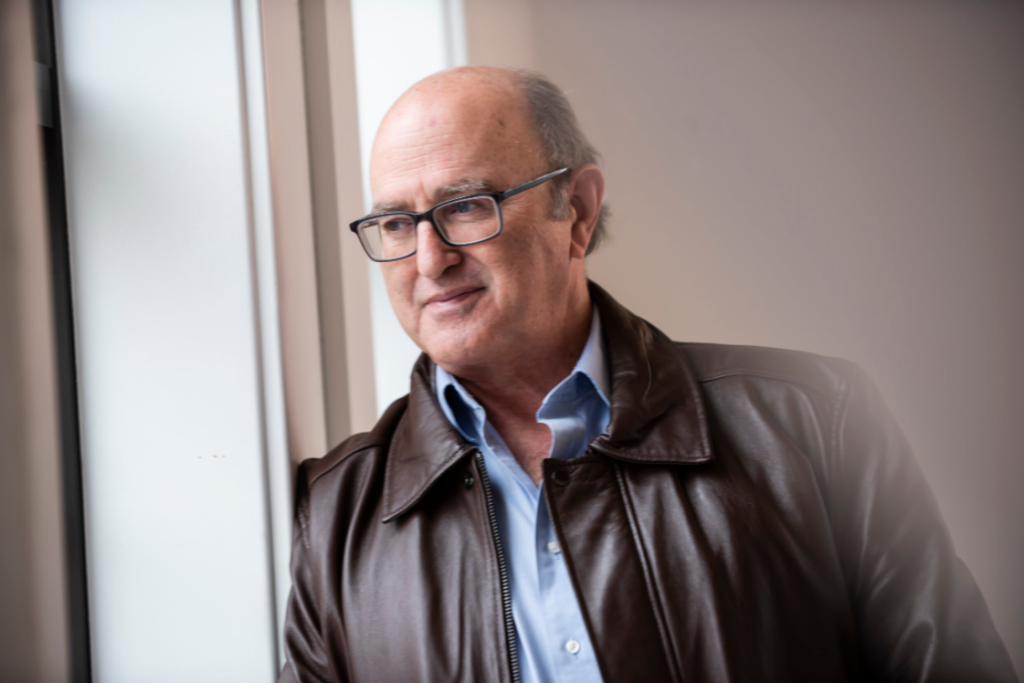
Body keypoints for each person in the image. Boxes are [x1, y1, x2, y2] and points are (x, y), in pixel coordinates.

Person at [278, 67, 1017, 683]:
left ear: (578, 211)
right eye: (396, 224)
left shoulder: (816, 420)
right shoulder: (333, 516)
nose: (429, 259)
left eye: (466, 207)